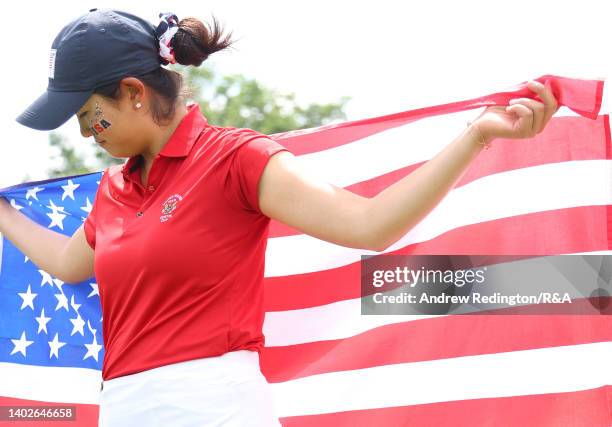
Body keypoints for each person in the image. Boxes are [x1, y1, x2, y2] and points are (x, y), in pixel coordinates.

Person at [0, 8, 559, 427]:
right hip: (123, 408)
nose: (83, 134)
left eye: (88, 117)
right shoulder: (114, 189)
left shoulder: (235, 157)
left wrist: (478, 136)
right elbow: (72, 264)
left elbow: (370, 224)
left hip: (213, 406)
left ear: (132, 92)